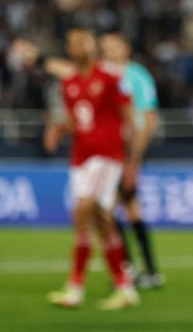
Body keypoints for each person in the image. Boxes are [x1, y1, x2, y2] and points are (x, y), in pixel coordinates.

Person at [19, 29, 142, 310]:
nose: (79, 47)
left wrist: (132, 163)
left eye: (84, 42)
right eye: (73, 43)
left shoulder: (112, 78)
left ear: (92, 46)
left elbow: (129, 120)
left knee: (82, 211)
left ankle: (75, 287)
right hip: (81, 159)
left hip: (107, 156)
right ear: (69, 49)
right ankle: (125, 287)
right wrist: (59, 130)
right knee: (102, 221)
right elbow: (79, 121)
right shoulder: (70, 83)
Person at [99, 30, 164, 290]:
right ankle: (145, 271)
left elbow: (149, 117)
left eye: (114, 44)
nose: (109, 48)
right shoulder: (100, 73)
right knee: (126, 207)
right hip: (108, 151)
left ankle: (133, 269)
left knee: (111, 209)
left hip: (129, 151)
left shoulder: (137, 75)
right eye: (106, 44)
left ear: (125, 48)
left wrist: (135, 159)